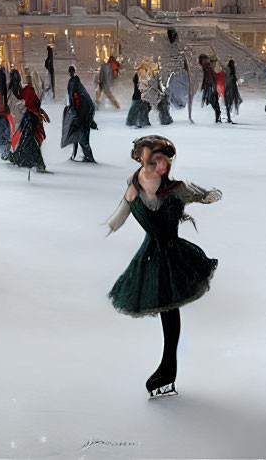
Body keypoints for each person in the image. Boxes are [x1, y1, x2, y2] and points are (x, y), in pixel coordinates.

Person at [105, 135, 221, 397]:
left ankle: (168, 366)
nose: (164, 165)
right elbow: (123, 211)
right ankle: (168, 367)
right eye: (158, 160)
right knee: (166, 309)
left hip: (172, 255)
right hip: (150, 256)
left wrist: (207, 195)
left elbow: (199, 195)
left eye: (167, 160)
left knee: (170, 310)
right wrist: (108, 226)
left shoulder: (175, 188)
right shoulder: (134, 184)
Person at [10, 72, 50, 175]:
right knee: (27, 140)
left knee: (28, 140)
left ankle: (32, 162)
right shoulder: (25, 90)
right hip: (30, 118)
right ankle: (30, 162)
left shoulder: (23, 90)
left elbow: (26, 105)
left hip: (29, 118)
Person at [61, 65, 97, 162]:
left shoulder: (75, 87)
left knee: (82, 138)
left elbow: (75, 99)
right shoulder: (77, 85)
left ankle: (88, 157)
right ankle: (76, 155)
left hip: (82, 114)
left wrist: (78, 117)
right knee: (78, 137)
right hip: (82, 114)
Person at [223, 59, 242, 124]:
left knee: (228, 104)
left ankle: (229, 117)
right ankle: (229, 117)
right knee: (229, 103)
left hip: (229, 88)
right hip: (231, 88)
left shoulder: (229, 71)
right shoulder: (230, 71)